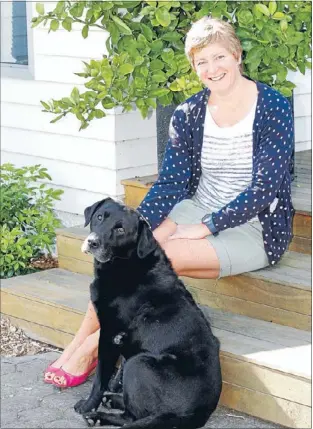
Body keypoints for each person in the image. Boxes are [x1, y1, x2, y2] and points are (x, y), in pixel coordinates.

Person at [45, 16, 294, 388]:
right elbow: (172, 183)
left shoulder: (273, 107)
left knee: (155, 261)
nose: (212, 69)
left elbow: (264, 189)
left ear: (237, 55)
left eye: (218, 57)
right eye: (201, 62)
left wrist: (203, 228)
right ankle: (76, 344)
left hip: (254, 226)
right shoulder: (189, 114)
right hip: (196, 208)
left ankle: (92, 348)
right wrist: (131, 227)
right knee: (129, 252)